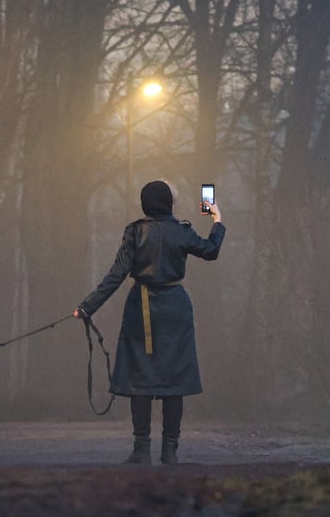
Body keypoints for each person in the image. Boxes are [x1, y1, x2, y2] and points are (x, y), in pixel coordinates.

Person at [73, 180, 225, 465]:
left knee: (139, 377)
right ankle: (170, 450)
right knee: (174, 380)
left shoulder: (134, 231)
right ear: (169, 204)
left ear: (145, 204)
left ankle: (141, 449)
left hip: (140, 309)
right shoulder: (182, 231)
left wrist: (87, 307)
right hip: (176, 311)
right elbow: (210, 250)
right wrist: (217, 219)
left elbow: (116, 275)